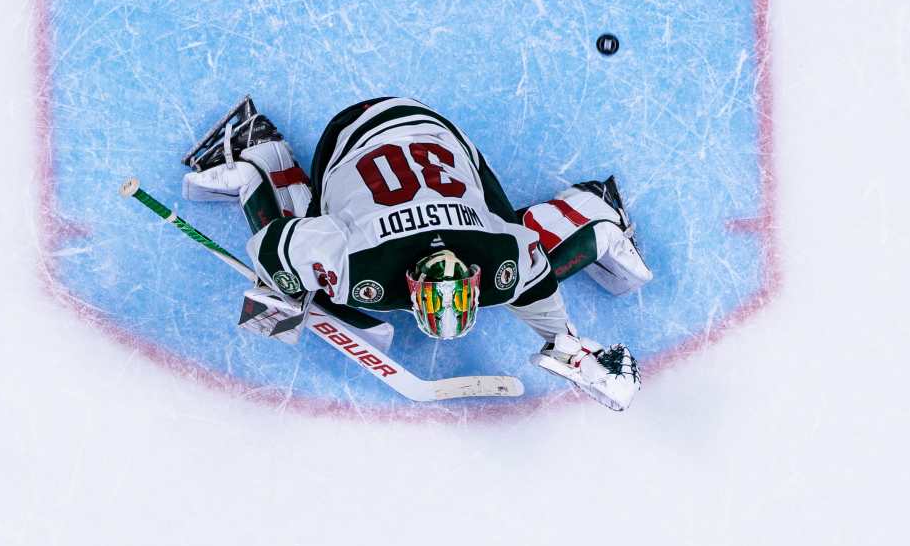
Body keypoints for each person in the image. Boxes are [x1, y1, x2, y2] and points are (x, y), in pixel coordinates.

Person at [181, 95, 653, 410]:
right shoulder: (357, 263)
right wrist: (282, 296)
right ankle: (257, 152)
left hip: (437, 133)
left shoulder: (498, 256)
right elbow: (271, 246)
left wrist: (568, 344)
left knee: (518, 245)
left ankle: (596, 211)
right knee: (310, 282)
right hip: (355, 132)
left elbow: (533, 282)